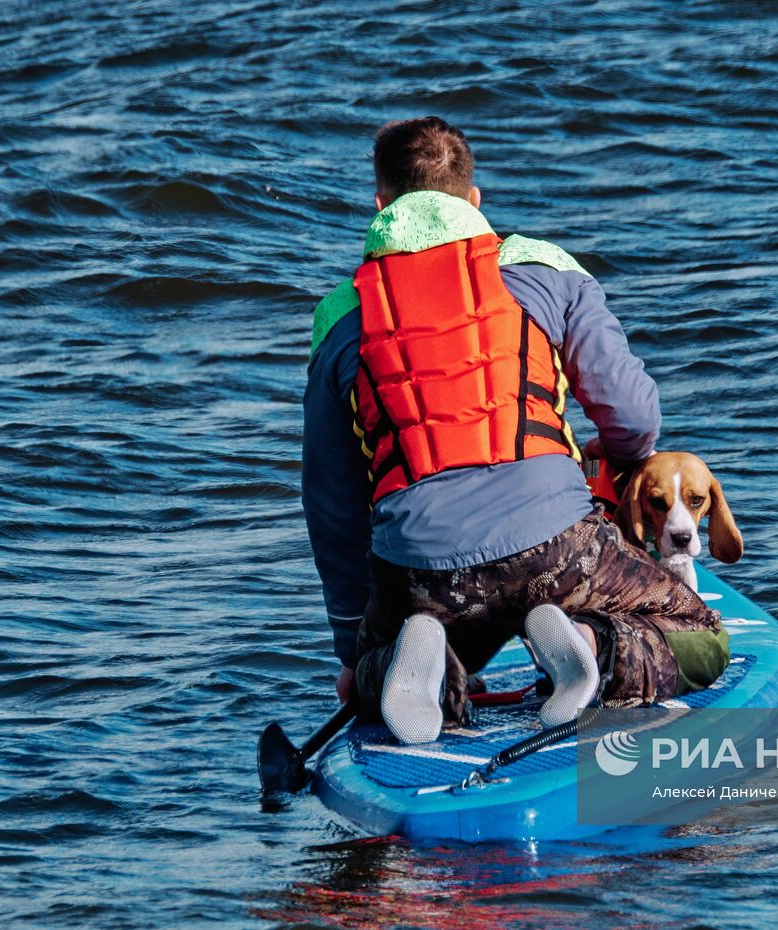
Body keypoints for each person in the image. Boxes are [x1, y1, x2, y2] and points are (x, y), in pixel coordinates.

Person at [302, 116, 728, 744]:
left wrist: (351, 652)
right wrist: (621, 457)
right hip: (556, 548)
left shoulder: (340, 317)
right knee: (701, 637)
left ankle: (411, 667)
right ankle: (586, 643)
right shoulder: (545, 268)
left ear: (381, 205)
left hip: (420, 574)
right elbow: (635, 420)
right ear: (474, 201)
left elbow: (332, 504)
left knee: (375, 665)